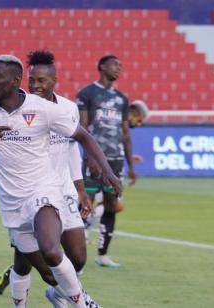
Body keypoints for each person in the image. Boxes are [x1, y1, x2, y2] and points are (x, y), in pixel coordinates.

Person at [0, 54, 121, 308]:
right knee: (44, 271)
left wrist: (106, 170)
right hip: (11, 203)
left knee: (52, 251)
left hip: (44, 191)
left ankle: (81, 303)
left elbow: (83, 136)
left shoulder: (42, 109)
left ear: (14, 81)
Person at [6, 50, 95, 307]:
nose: (35, 85)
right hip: (28, 193)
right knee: (25, 262)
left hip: (63, 190)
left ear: (54, 81)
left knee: (77, 258)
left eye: (42, 80)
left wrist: (81, 190)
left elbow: (72, 151)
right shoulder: (19, 110)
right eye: (31, 80)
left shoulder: (68, 109)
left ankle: (58, 295)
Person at [76, 55, 135, 268]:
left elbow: (126, 133)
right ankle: (76, 251)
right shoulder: (87, 93)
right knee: (85, 204)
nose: (119, 69)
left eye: (120, 65)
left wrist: (131, 166)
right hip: (94, 159)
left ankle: (102, 254)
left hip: (116, 160)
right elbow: (83, 127)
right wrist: (90, 156)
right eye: (114, 65)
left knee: (111, 205)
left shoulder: (122, 99)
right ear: (102, 67)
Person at [84, 99, 149, 234]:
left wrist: (130, 157)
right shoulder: (115, 122)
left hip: (111, 168)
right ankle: (84, 226)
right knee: (114, 205)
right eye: (139, 119)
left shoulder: (119, 125)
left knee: (110, 205)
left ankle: (85, 226)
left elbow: (114, 145)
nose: (139, 123)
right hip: (105, 169)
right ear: (134, 112)